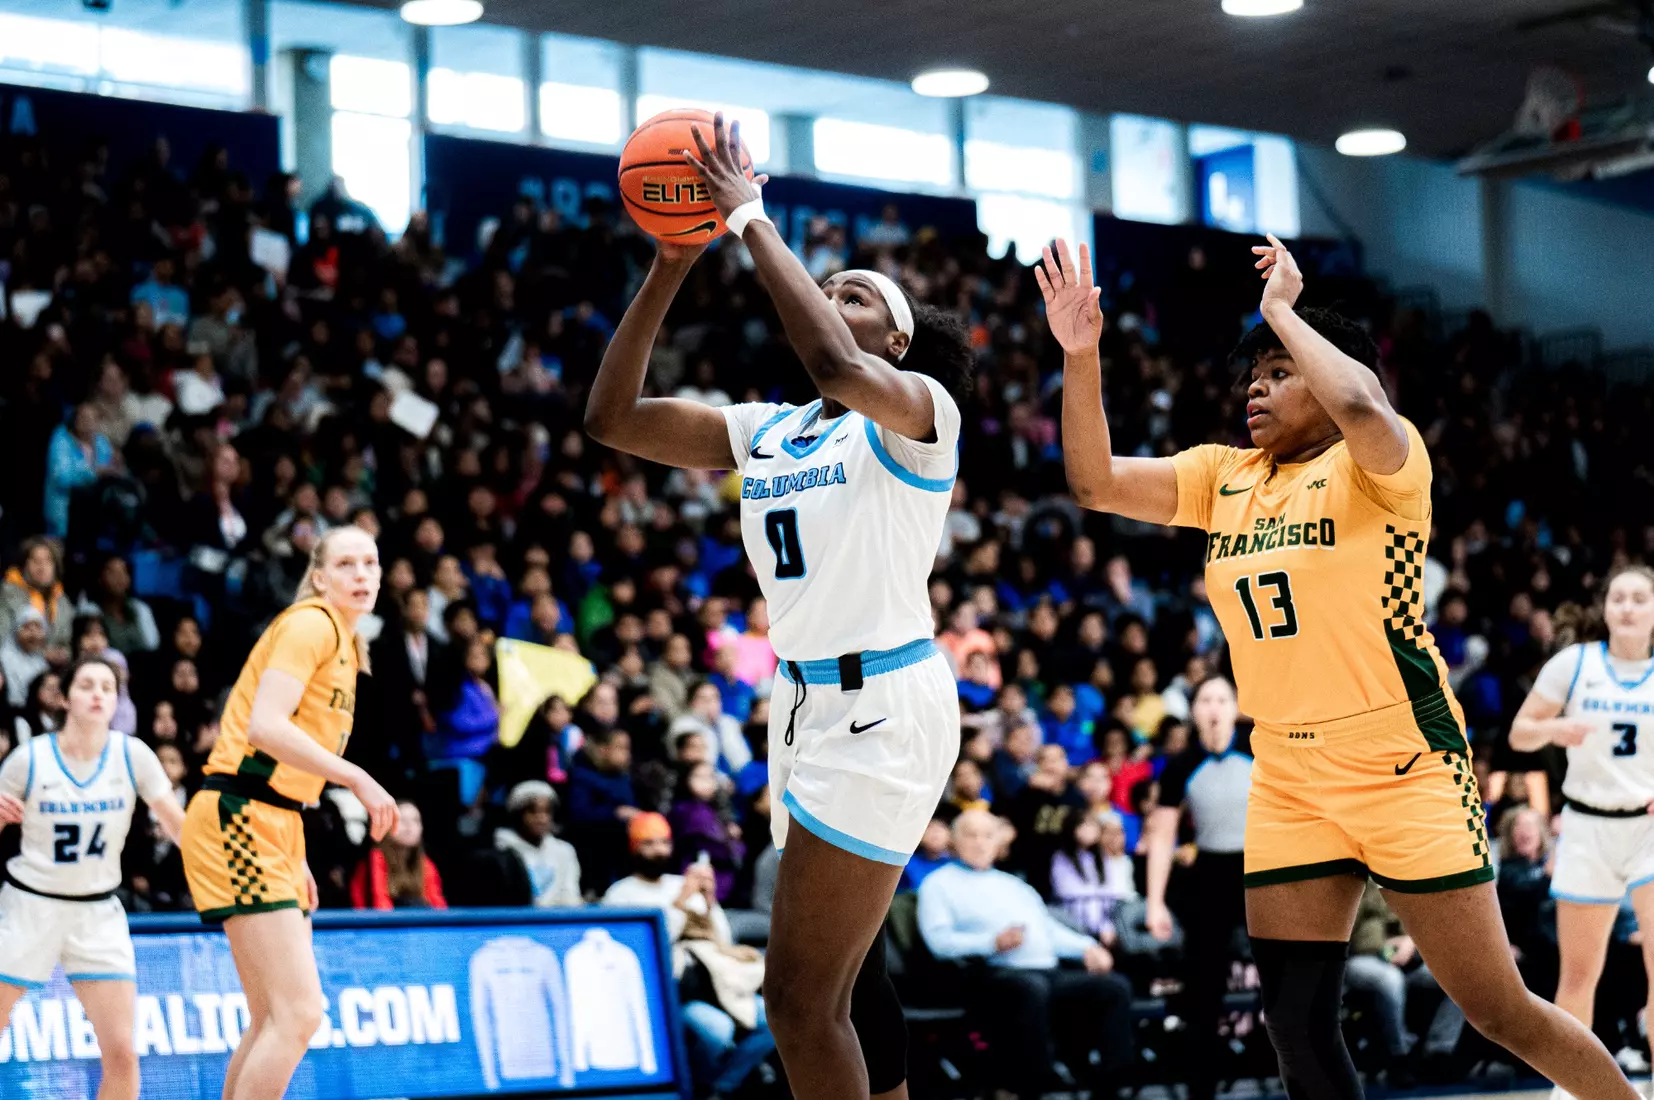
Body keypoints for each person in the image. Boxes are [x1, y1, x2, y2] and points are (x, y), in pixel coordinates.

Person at [1040, 233, 1635, 1100]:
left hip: (1403, 761)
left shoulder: (1382, 464)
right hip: (1286, 771)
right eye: (1253, 374)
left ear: (1328, 375)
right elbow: (1092, 482)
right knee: (1296, 1023)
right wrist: (1081, 355)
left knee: (1497, 1008)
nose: (1257, 385)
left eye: (1280, 372)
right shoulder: (1223, 476)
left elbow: (1363, 405)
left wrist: (1282, 307)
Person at [585, 113, 973, 1099]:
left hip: (882, 702)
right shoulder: (773, 429)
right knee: (853, 980)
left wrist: (751, 215)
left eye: (859, 296)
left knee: (797, 999)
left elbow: (842, 368)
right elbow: (613, 418)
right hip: (799, 710)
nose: (836, 298)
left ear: (901, 342)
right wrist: (673, 262)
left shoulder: (921, 416)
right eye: (829, 287)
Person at [178, 526, 398, 1100]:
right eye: (346, 563)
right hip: (238, 814)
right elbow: (264, 727)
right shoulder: (311, 623)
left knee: (273, 1017)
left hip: (274, 819)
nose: (361, 574)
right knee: (299, 1014)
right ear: (319, 576)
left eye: (370, 563)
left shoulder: (348, 645)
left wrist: (293, 848)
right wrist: (355, 777)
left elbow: (288, 765)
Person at [0, 655, 185, 1100]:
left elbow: (183, 828)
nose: (99, 693)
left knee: (121, 1053)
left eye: (108, 686)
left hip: (98, 911)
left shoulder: (133, 754)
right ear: (65, 697)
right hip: (30, 904)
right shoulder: (29, 758)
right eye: (87, 685)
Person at [1508, 565, 1654, 1092]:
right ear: (1606, 607)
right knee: (1577, 975)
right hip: (1587, 827)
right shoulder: (1575, 664)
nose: (1629, 607)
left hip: (1648, 831)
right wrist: (1555, 728)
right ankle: (1568, 1087)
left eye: (1640, 598)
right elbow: (1520, 734)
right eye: (1620, 597)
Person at [917, 809, 1134, 1098]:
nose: (980, 843)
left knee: (1114, 986)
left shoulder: (1014, 885)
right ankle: (1033, 1087)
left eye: (987, 836)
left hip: (1043, 972)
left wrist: (1087, 947)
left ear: (998, 843)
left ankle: (1109, 1087)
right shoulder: (938, 884)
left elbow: (1048, 930)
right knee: (1030, 989)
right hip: (986, 974)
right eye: (971, 835)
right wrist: (991, 942)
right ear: (954, 842)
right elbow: (938, 941)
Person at [603, 812, 775, 1099]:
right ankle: (699, 1084)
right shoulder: (621, 895)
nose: (659, 850)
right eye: (649, 843)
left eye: (664, 842)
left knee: (772, 1020)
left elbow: (723, 939)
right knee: (717, 1032)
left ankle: (722, 1085)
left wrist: (709, 902)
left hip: (718, 982)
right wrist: (682, 901)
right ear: (634, 848)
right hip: (675, 989)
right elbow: (649, 950)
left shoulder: (677, 882)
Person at [1144, 675, 1252, 1100]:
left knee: (1284, 970)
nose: (1213, 708)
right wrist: (1154, 903)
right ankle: (1201, 1083)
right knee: (1204, 982)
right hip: (1210, 872)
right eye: (1205, 700)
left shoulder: (1259, 749)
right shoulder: (1180, 764)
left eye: (1221, 700)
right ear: (1193, 710)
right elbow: (1162, 838)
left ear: (1236, 707)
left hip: (1260, 868)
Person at [494, 780, 583, 908]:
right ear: (518, 814)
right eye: (533, 812)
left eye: (547, 811)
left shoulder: (564, 851)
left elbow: (571, 896)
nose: (541, 819)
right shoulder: (501, 852)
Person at [350, 800, 446, 910]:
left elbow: (438, 904)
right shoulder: (376, 857)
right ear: (387, 826)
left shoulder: (426, 864)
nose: (409, 826)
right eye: (402, 820)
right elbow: (380, 903)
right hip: (378, 924)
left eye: (415, 821)